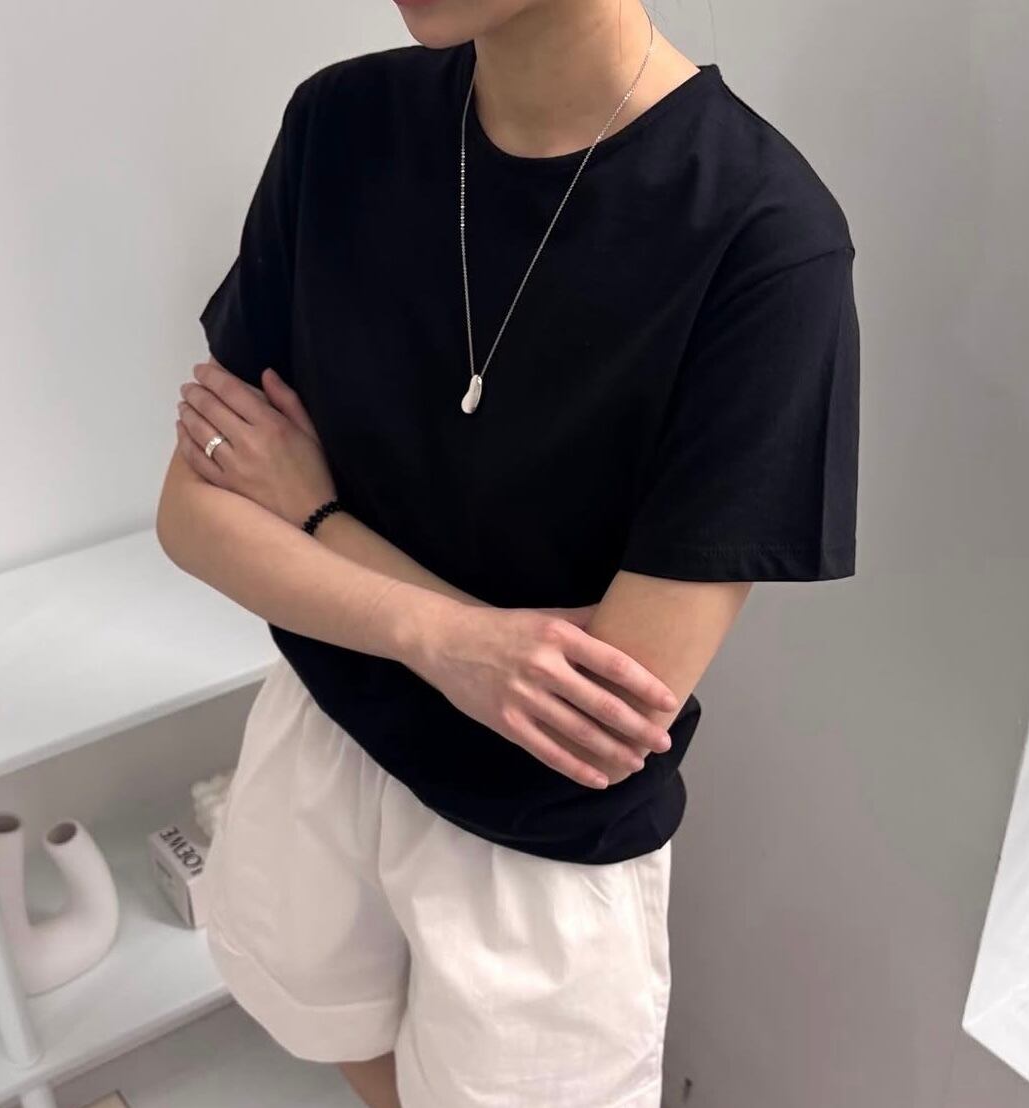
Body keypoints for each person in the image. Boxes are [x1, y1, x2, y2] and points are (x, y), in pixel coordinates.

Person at [156, 0, 860, 1104]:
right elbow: (193, 515)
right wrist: (449, 638)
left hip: (534, 848)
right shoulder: (341, 123)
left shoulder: (762, 239)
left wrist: (319, 521)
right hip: (323, 726)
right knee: (329, 1025)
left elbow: (598, 715)